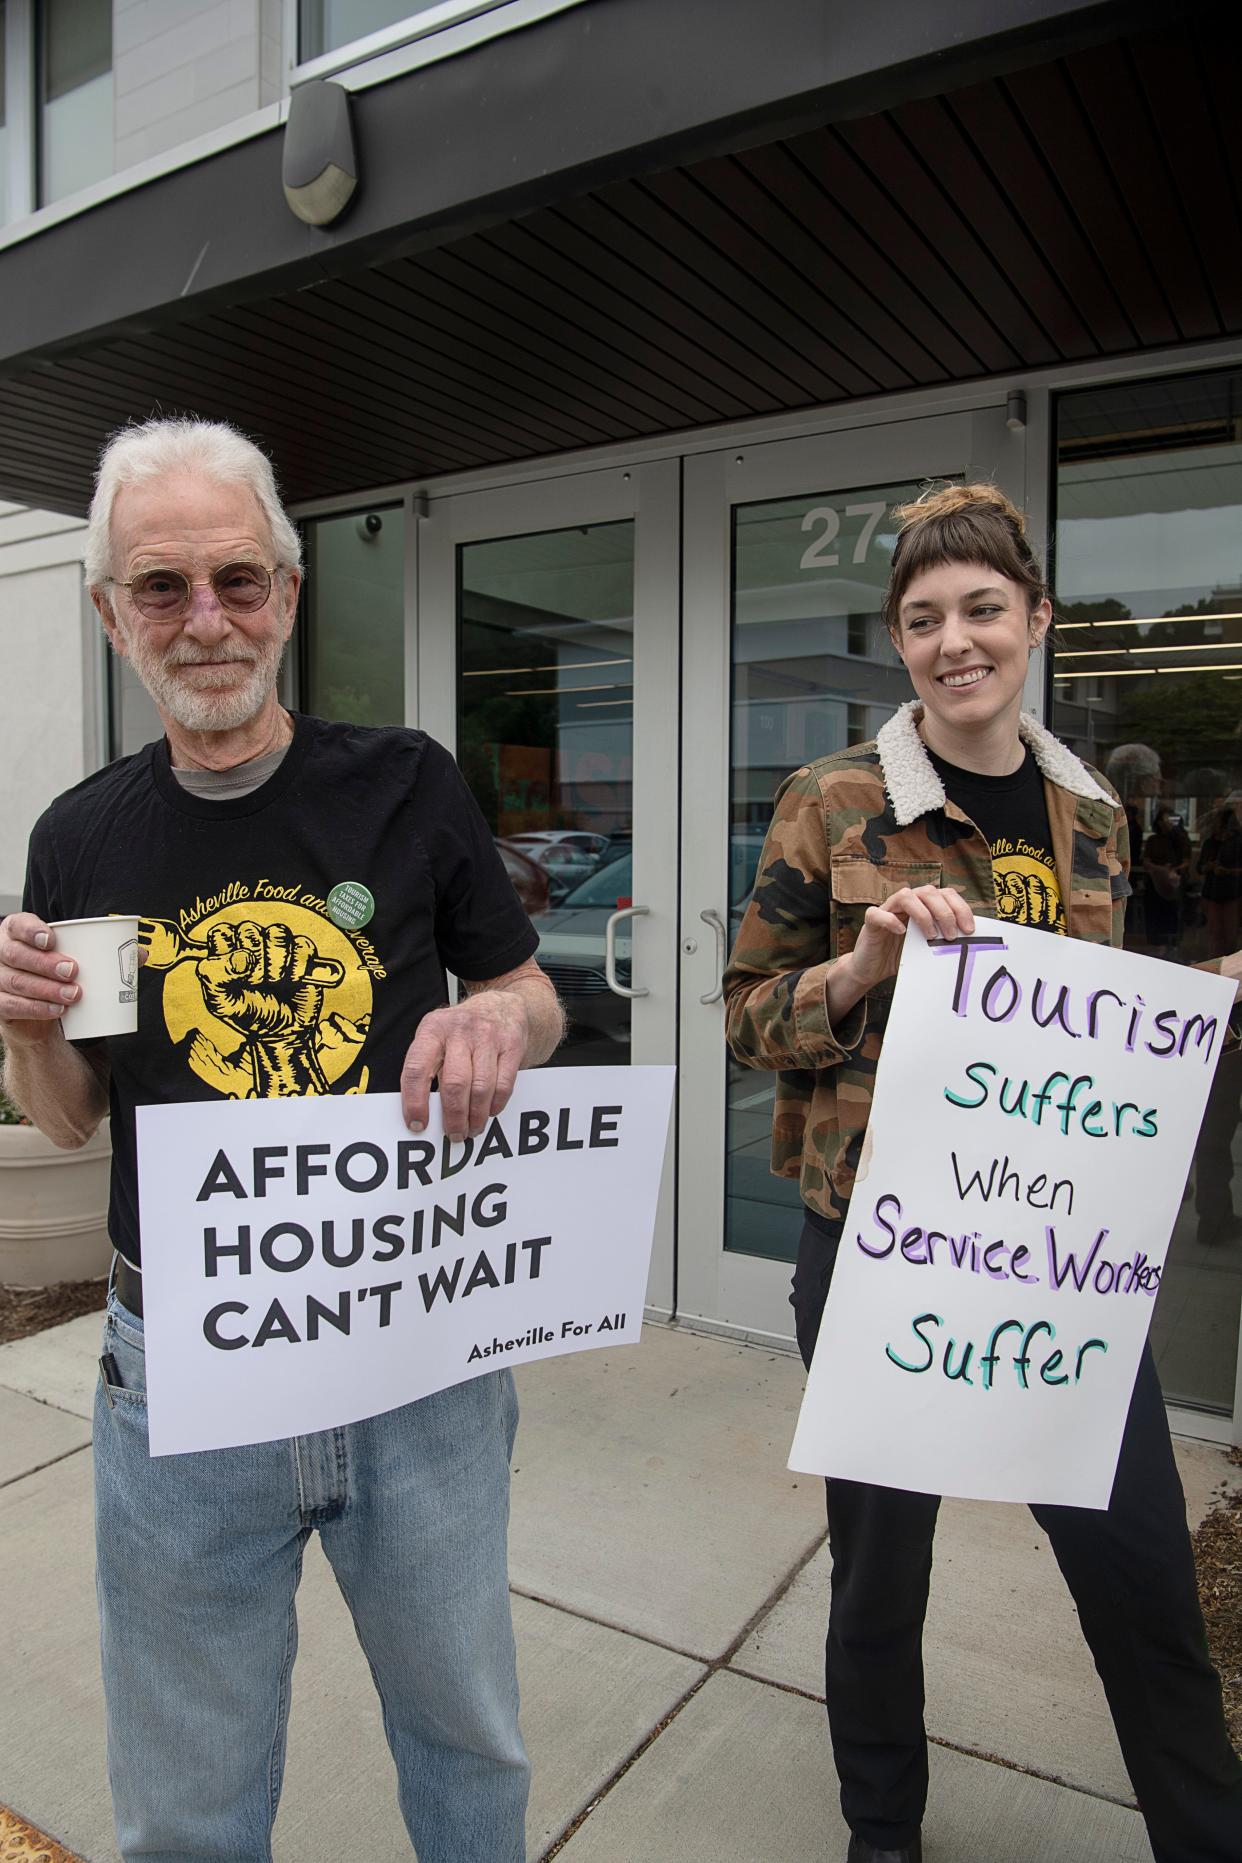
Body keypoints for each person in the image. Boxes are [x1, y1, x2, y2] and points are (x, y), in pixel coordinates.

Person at [0, 417, 563, 1862]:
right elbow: (72, 1121)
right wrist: (22, 1030)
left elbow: (525, 990)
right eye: (162, 587)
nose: (206, 621)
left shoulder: (408, 783)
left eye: (238, 581)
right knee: (186, 1802)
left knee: (468, 1749)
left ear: (291, 594)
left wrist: (500, 1028)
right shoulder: (78, 840)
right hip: (180, 1381)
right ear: (110, 610)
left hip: (409, 1358)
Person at [723, 484, 1242, 1863]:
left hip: (1060, 1254)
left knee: (1136, 1566)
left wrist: (1198, 995)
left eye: (980, 610)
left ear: (1034, 622)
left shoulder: (1091, 819)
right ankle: (881, 1831)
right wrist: (863, 962)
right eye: (921, 619)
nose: (954, 641)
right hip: (881, 1251)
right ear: (898, 640)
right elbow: (747, 1019)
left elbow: (1086, 1015)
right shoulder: (830, 800)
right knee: (878, 1574)